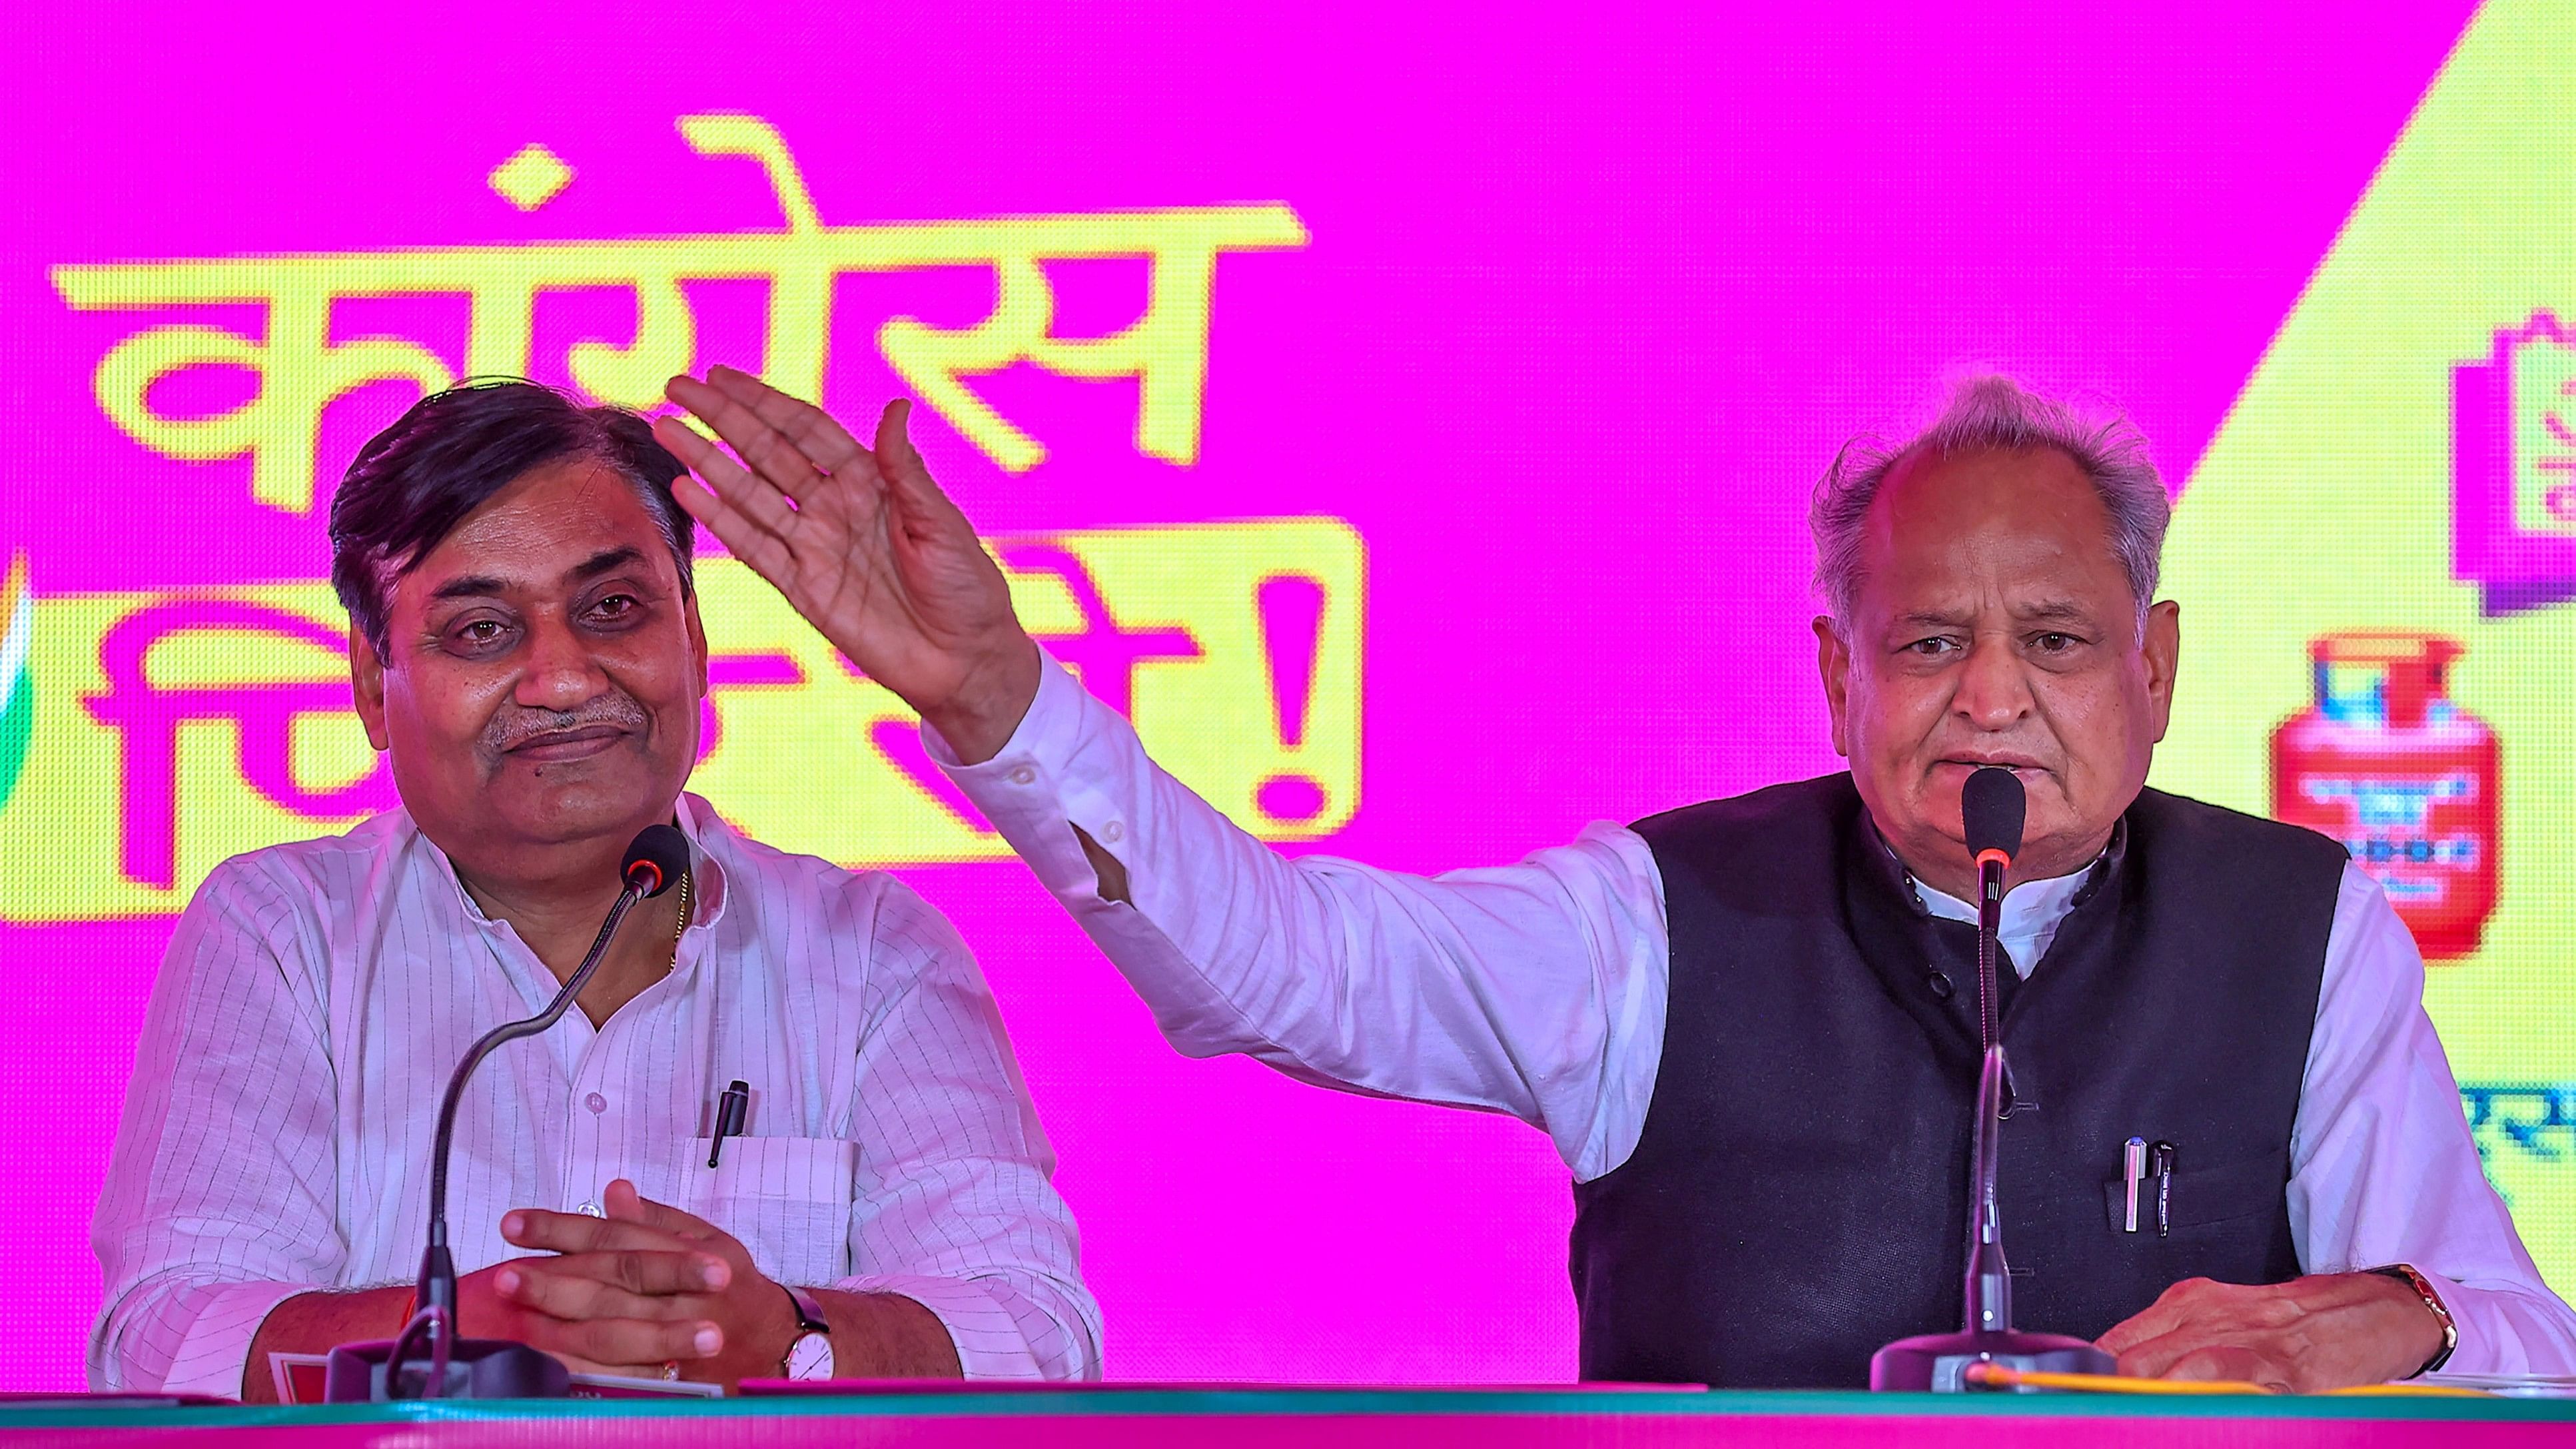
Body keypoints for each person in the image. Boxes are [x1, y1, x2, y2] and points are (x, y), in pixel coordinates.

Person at [653, 364, 2576, 1392]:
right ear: (1831, 674)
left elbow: (2518, 1348)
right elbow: (1282, 962)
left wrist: (2388, 1311)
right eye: (1925, 648)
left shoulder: (2300, 937)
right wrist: (1005, 706)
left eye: (2057, 646)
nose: (1990, 703)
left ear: (2154, 669)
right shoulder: (1657, 926)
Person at [91, 380, 1100, 1398]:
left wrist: (791, 1336)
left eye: (612, 608)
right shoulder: (284, 936)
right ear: (371, 686)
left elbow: (1035, 1332)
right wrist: (457, 1335)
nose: (565, 679)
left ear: (696, 642)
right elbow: (168, 1337)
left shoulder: (873, 952)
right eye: (482, 630)